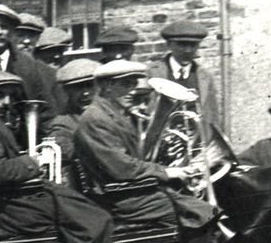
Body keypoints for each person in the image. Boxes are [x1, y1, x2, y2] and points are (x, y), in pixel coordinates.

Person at [0, 70, 115, 243]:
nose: (7, 102)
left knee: (87, 210)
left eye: (10, 95)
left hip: (13, 199)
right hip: (7, 207)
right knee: (97, 219)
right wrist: (35, 160)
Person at [73, 59, 217, 234]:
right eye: (126, 84)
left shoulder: (114, 113)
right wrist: (168, 172)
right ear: (107, 86)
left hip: (135, 192)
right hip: (122, 199)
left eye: (134, 84)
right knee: (200, 214)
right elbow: (122, 167)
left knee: (203, 207)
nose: (133, 91)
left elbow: (134, 160)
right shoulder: (95, 118)